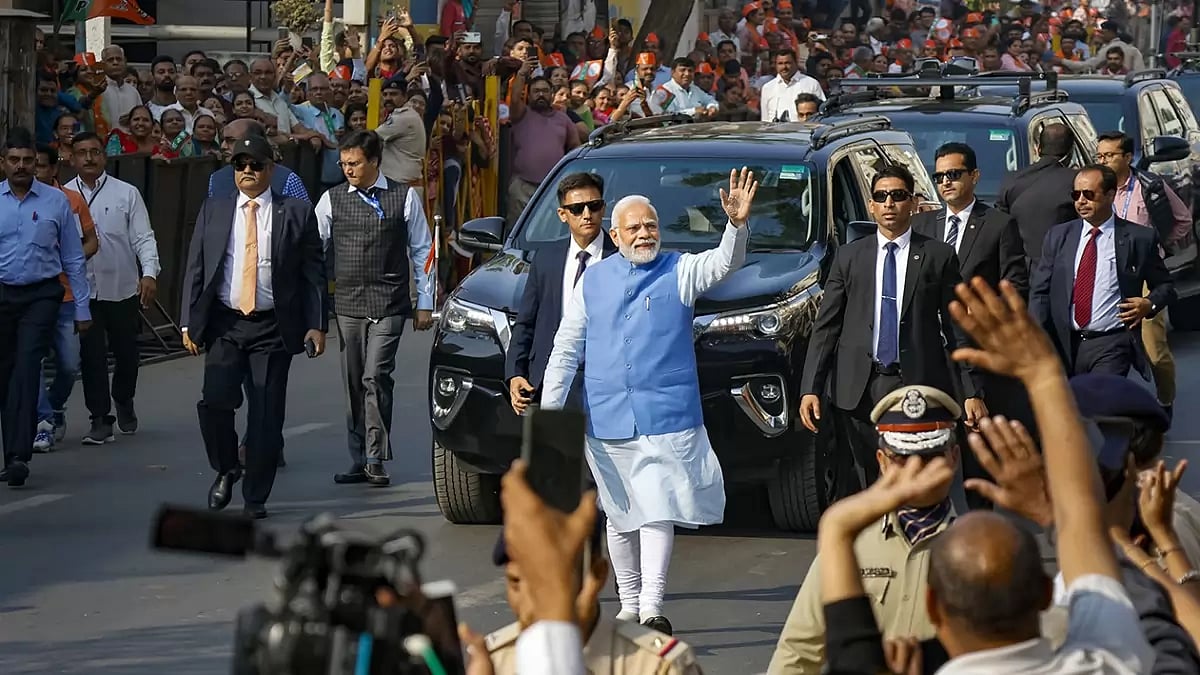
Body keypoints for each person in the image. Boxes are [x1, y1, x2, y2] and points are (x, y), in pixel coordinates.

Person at [539, 168, 759, 634]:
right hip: (607, 416)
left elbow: (723, 263)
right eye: (634, 228)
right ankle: (629, 600)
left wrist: (736, 226)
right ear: (614, 234)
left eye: (651, 226)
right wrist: (550, 415)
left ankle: (653, 606)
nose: (645, 234)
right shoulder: (591, 282)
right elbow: (566, 348)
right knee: (619, 516)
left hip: (667, 415)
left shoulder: (679, 269)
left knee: (657, 506)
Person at [799, 165, 984, 487]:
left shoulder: (937, 255)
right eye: (881, 196)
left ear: (912, 202)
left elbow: (957, 327)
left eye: (898, 196)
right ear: (871, 205)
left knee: (913, 476)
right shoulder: (849, 256)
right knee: (864, 478)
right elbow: (826, 327)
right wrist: (810, 389)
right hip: (858, 387)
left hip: (915, 383)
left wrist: (970, 391)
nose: (889, 203)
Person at [767, 385, 965, 675]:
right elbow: (798, 651)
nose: (915, 471)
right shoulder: (850, 546)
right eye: (902, 459)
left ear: (954, 457)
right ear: (882, 462)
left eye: (929, 457)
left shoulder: (979, 549)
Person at [180, 136, 327, 519]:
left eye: (255, 164)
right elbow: (196, 267)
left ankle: (255, 496)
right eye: (240, 164)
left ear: (271, 169)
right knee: (215, 401)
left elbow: (312, 272)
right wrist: (187, 321)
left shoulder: (295, 212)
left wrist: (316, 325)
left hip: (273, 328)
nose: (247, 171)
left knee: (265, 414)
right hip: (226, 324)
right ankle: (227, 467)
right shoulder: (215, 208)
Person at [911, 142, 1029, 496]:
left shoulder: (998, 225)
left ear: (974, 176)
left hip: (977, 351)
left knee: (977, 443)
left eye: (954, 174)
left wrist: (981, 311)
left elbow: (1016, 286)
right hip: (929, 350)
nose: (946, 182)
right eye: (939, 176)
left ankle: (982, 519)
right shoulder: (923, 223)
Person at [316, 130, 433, 488]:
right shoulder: (331, 200)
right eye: (344, 163)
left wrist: (425, 303)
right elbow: (313, 248)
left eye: (354, 163)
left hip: (390, 303)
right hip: (348, 305)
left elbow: (423, 251)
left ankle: (375, 456)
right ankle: (358, 456)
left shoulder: (405, 197)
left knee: (375, 376)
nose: (347, 169)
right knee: (353, 382)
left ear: (374, 162)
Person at [484, 522, 702, 674]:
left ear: (596, 576)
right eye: (515, 582)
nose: (529, 599)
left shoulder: (659, 667)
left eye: (547, 584)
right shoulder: (493, 662)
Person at [0, 128, 90, 487]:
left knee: (26, 366)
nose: (22, 167)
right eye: (15, 160)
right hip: (3, 294)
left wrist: (82, 309)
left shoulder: (55, 202)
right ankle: (12, 451)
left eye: (28, 161)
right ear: (3, 163)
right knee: (6, 375)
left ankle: (18, 456)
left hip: (42, 296)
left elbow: (72, 257)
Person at [1029, 164, 1176, 378]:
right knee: (1072, 409)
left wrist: (1149, 304)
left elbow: (1166, 286)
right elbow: (1040, 292)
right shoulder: (1059, 236)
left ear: (1110, 195)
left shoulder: (1138, 238)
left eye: (1088, 195)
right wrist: (1037, 337)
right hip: (1064, 344)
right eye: (1076, 194)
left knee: (1101, 406)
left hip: (1111, 344)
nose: (1080, 201)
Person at [68, 132, 160, 445]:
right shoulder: (63, 196)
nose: (89, 158)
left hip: (122, 286)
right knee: (91, 355)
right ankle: (99, 418)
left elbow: (143, 237)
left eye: (95, 152)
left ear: (104, 156)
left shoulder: (126, 193)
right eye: (82, 153)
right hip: (83, 291)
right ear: (72, 158)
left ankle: (123, 397)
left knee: (126, 354)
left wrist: (149, 273)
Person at [1094, 131, 1191, 415]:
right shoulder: (1094, 188)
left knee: (1154, 348)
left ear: (1127, 157)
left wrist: (1158, 248)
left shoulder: (1149, 186)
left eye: (1109, 156)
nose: (1103, 161)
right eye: (1099, 156)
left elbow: (1182, 220)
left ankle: (1164, 399)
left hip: (1144, 277)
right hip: (1106, 273)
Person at [506, 172, 616, 414]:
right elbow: (527, 322)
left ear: (603, 208)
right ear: (562, 214)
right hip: (550, 380)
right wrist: (515, 373)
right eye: (577, 209)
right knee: (552, 451)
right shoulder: (546, 258)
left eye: (594, 206)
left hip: (608, 385)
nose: (587, 214)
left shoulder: (621, 258)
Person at [32, 144, 100, 450]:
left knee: (70, 365)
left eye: (40, 166)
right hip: (30, 297)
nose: (33, 171)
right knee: (29, 360)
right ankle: (43, 419)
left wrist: (65, 261)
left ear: (53, 169)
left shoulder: (70, 201)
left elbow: (91, 243)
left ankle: (54, 404)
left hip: (67, 297)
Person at [995, 124, 1078, 265]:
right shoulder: (1076, 181)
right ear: (1071, 151)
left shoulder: (1011, 180)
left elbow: (999, 227)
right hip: (1061, 268)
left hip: (1019, 269)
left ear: (1038, 149)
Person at [208, 120, 310, 202]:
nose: (223, 146)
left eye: (231, 140)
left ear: (252, 141)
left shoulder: (288, 180)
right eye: (223, 140)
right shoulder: (216, 179)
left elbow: (303, 220)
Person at [759, 49, 824, 122]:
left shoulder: (811, 83)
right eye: (780, 63)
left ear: (796, 63)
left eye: (787, 63)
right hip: (776, 132)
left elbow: (822, 112)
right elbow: (765, 119)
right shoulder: (768, 87)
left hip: (804, 131)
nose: (784, 67)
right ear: (775, 65)